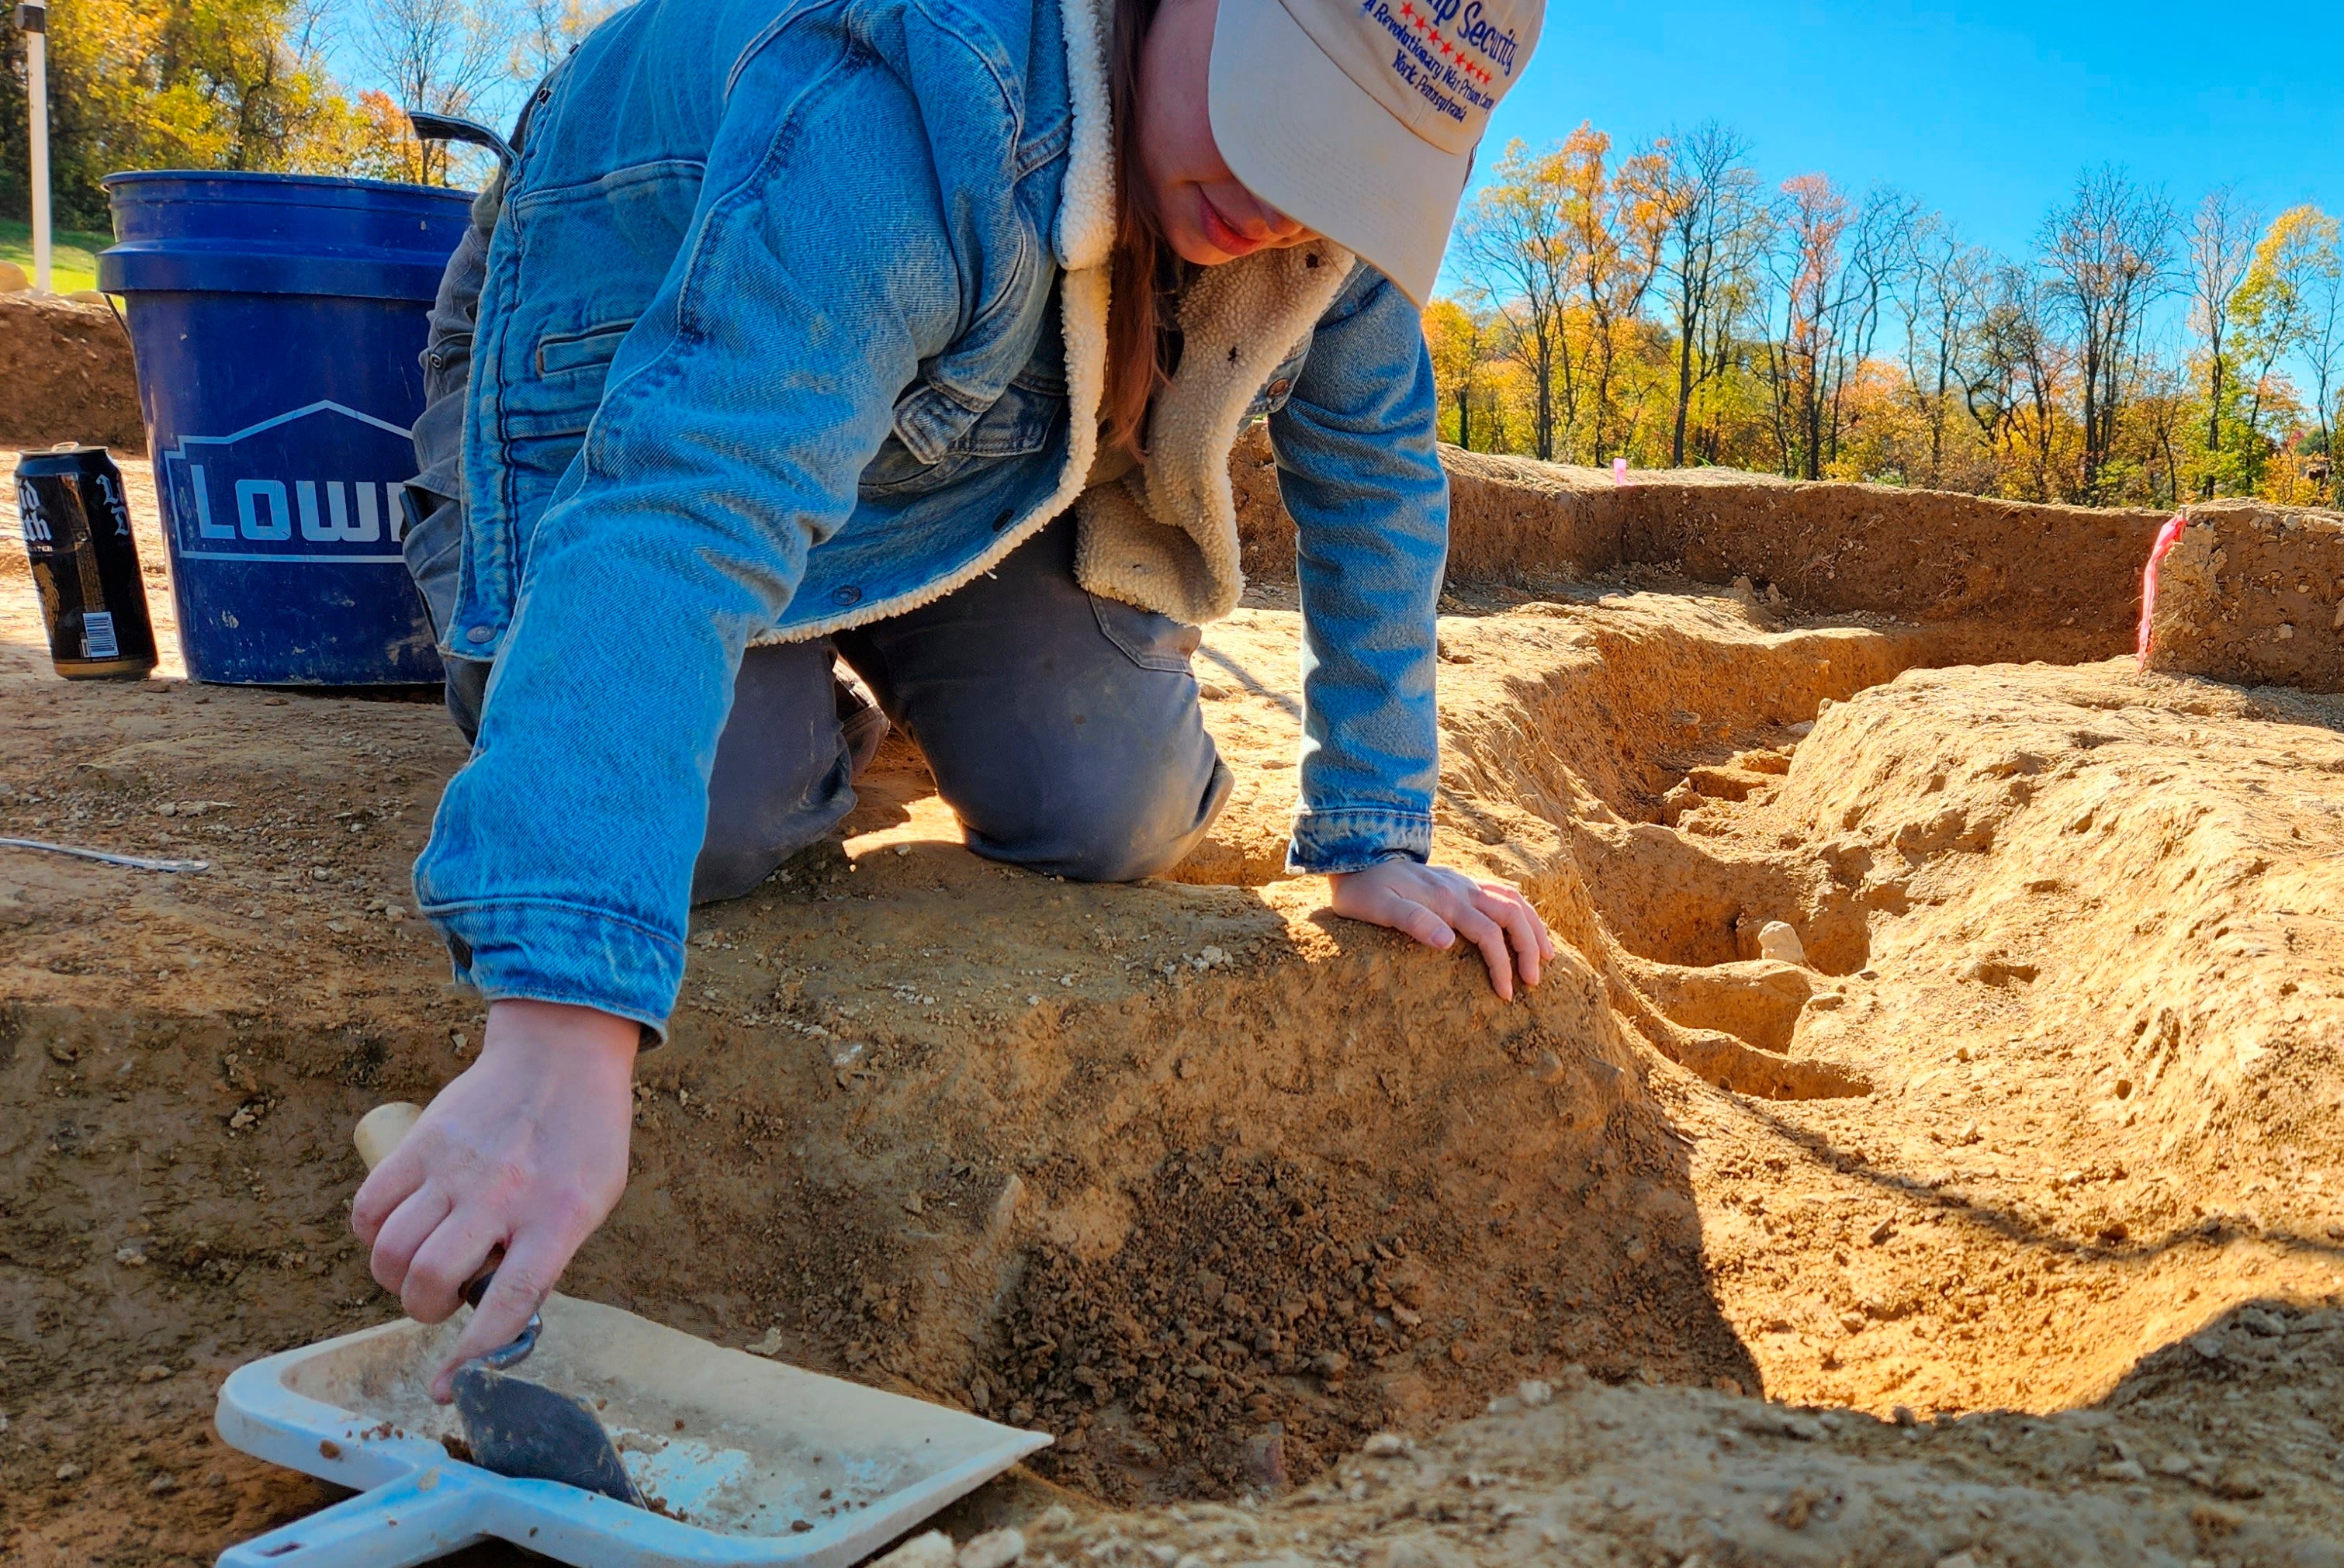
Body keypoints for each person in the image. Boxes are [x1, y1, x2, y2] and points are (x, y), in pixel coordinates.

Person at [355, 0, 1551, 1393]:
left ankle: (839, 665)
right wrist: (557, 1021)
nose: (1289, 201)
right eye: (1284, 114)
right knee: (707, 827)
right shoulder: (916, 84)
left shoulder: (1315, 215)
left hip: (946, 427)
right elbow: (689, 497)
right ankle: (763, 698)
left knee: (1116, 804)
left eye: (1349, 159)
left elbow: (1378, 473)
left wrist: (1376, 828)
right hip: (617, 325)